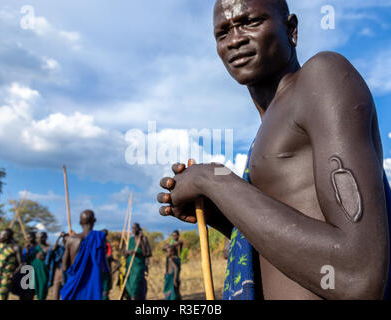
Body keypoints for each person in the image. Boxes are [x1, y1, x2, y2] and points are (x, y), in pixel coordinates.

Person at [158, 0, 391, 300]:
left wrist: (215, 180)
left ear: (291, 29)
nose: (235, 39)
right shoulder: (265, 130)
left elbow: (358, 276)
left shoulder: (322, 77)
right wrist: (222, 211)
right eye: (223, 32)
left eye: (250, 22)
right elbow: (294, 252)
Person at [61, 210, 109, 300]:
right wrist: (108, 281)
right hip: (92, 286)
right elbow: (104, 265)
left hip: (74, 284)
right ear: (94, 220)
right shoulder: (99, 238)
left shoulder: (70, 240)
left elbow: (64, 267)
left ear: (80, 222)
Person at [122, 223, 151, 300]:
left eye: (135, 228)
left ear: (139, 229)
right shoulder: (129, 240)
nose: (133, 230)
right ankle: (132, 296)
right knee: (128, 282)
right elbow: (124, 253)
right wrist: (129, 252)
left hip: (139, 266)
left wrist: (138, 251)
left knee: (136, 283)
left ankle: (134, 297)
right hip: (129, 266)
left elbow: (148, 253)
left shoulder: (143, 238)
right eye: (132, 228)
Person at [11, 231, 37, 300]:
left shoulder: (38, 247)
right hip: (25, 272)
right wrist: (27, 250)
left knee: (30, 291)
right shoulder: (25, 248)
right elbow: (23, 259)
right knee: (23, 290)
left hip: (34, 271)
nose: (29, 239)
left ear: (34, 237)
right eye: (28, 238)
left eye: (30, 237)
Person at [46, 232, 67, 300]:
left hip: (67, 276)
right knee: (55, 296)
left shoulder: (72, 249)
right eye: (64, 239)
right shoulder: (60, 249)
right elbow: (52, 249)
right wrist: (59, 237)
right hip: (57, 275)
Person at [31, 232, 50, 300]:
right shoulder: (35, 247)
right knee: (36, 286)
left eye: (42, 237)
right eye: (39, 237)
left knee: (43, 284)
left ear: (46, 238)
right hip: (35, 269)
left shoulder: (48, 248)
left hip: (44, 270)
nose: (40, 239)